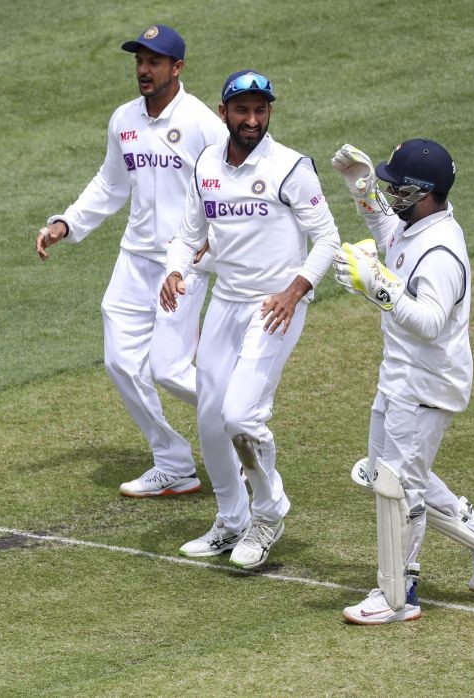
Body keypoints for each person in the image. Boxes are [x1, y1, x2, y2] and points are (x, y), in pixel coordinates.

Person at [36, 24, 227, 498]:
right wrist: (67, 223)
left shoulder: (204, 123)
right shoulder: (123, 119)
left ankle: (238, 423)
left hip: (182, 263)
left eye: (154, 61)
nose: (144, 69)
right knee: (120, 362)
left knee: (169, 369)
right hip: (134, 257)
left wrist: (215, 245)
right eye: (139, 60)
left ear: (177, 68)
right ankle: (173, 461)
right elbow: (110, 184)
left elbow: (229, 184)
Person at [330, 139, 474, 624]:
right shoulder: (416, 226)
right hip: (401, 375)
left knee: (399, 486)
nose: (391, 193)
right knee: (382, 469)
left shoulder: (441, 252)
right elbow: (387, 231)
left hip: (428, 385)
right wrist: (363, 190)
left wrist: (378, 285)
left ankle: (398, 596)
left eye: (396, 187)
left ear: (424, 193)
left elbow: (432, 321)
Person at [160, 70, 340, 569]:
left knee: (241, 416)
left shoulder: (291, 167)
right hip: (226, 302)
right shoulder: (206, 165)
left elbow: (327, 239)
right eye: (243, 110)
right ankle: (231, 519)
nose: (253, 120)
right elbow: (186, 234)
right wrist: (176, 271)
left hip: (275, 306)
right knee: (211, 420)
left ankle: (268, 512)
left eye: (261, 110)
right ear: (224, 113)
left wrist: (294, 290)